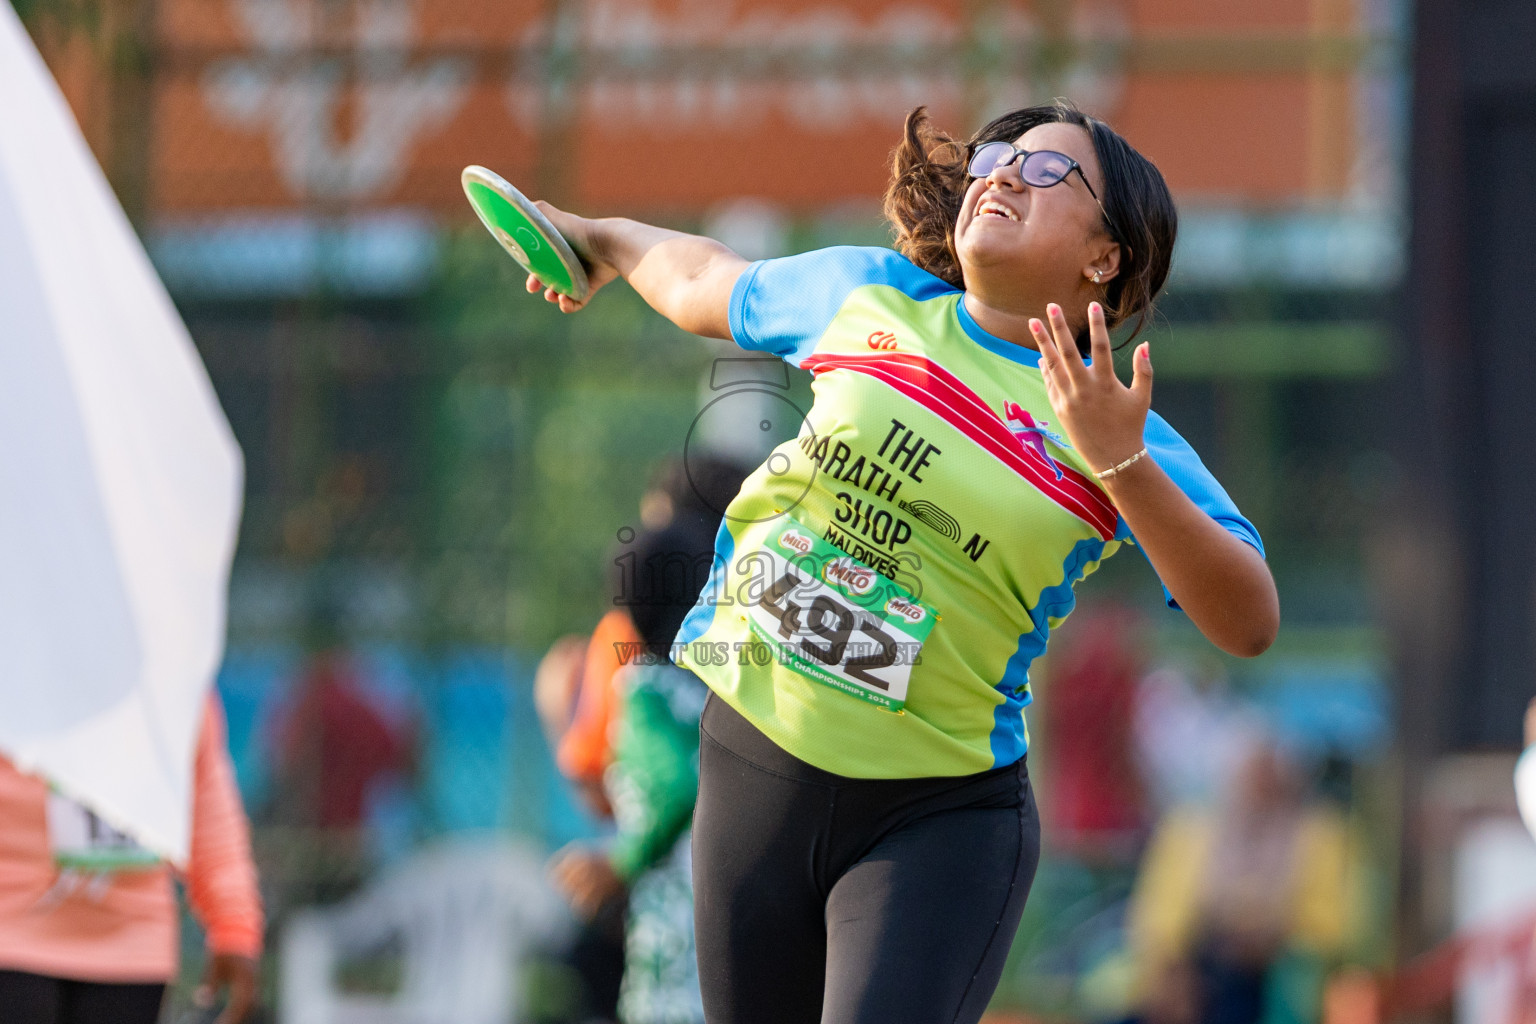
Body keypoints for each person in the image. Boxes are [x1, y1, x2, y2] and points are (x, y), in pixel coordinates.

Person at [519, 100, 1280, 1024]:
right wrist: (597, 239)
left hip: (934, 826)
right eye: (996, 157)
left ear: (1104, 257)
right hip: (752, 773)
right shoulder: (867, 295)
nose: (1000, 173)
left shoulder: (1114, 422)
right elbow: (702, 279)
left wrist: (1117, 460)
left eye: (1045, 171)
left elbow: (1248, 621)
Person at [0, 692, 263, 1024]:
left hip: (131, 945)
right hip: (10, 930)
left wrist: (234, 924)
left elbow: (204, 793)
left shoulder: (169, 656)